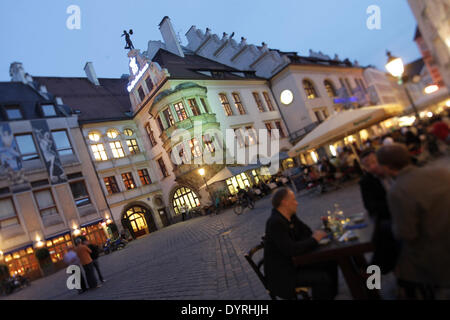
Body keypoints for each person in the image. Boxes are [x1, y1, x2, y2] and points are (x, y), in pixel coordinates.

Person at [376, 143, 450, 299]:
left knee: (385, 249)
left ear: (387, 167)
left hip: (436, 256)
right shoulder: (442, 173)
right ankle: (372, 277)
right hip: (444, 236)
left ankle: (372, 283)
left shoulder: (398, 190)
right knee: (382, 238)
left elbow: (406, 234)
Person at [264, 188, 338, 300]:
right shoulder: (275, 222)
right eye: (293, 200)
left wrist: (319, 232)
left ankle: (332, 294)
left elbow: (307, 233)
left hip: (295, 263)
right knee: (321, 278)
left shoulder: (290, 216)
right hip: (283, 274)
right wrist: (314, 240)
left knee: (330, 260)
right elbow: (291, 249)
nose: (296, 203)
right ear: (284, 202)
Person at [359, 148, 400, 274]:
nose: (372, 167)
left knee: (383, 239)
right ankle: (376, 274)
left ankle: (374, 274)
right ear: (364, 168)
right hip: (388, 216)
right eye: (367, 165)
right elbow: (370, 207)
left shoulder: (394, 171)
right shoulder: (366, 182)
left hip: (408, 213)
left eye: (373, 162)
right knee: (384, 233)